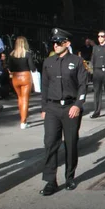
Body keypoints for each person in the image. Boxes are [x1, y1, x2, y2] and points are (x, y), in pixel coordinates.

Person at [40, 28, 87, 196]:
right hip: (52, 107)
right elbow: (44, 86)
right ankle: (50, 181)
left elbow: (82, 85)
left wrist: (78, 104)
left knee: (71, 143)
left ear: (67, 43)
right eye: (54, 42)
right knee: (50, 143)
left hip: (70, 107)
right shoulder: (48, 62)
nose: (56, 45)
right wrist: (44, 107)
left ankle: (69, 177)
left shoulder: (77, 61)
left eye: (59, 42)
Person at [8, 36, 36, 129]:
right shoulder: (27, 54)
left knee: (19, 98)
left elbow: (10, 68)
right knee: (25, 99)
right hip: (25, 77)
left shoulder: (12, 54)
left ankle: (22, 117)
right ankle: (23, 121)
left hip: (15, 77)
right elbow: (32, 68)